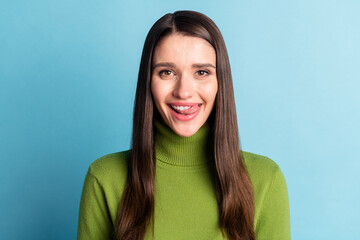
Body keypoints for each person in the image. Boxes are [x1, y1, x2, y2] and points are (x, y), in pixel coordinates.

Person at [77, 10, 290, 240]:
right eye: (167, 72)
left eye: (201, 72)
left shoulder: (265, 180)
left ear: (221, 82)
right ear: (148, 81)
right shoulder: (105, 178)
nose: (184, 91)